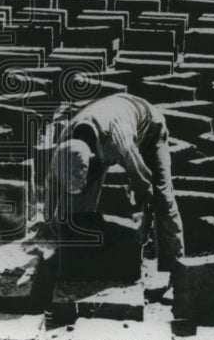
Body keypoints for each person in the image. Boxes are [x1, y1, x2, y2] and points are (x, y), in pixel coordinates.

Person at [45, 92, 184, 271]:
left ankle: (176, 269)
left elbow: (145, 185)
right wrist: (52, 225)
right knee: (76, 211)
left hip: (149, 128)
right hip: (103, 128)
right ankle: (82, 255)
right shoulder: (64, 146)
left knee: (163, 197)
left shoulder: (121, 142)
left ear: (91, 160)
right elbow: (52, 186)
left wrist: (145, 223)